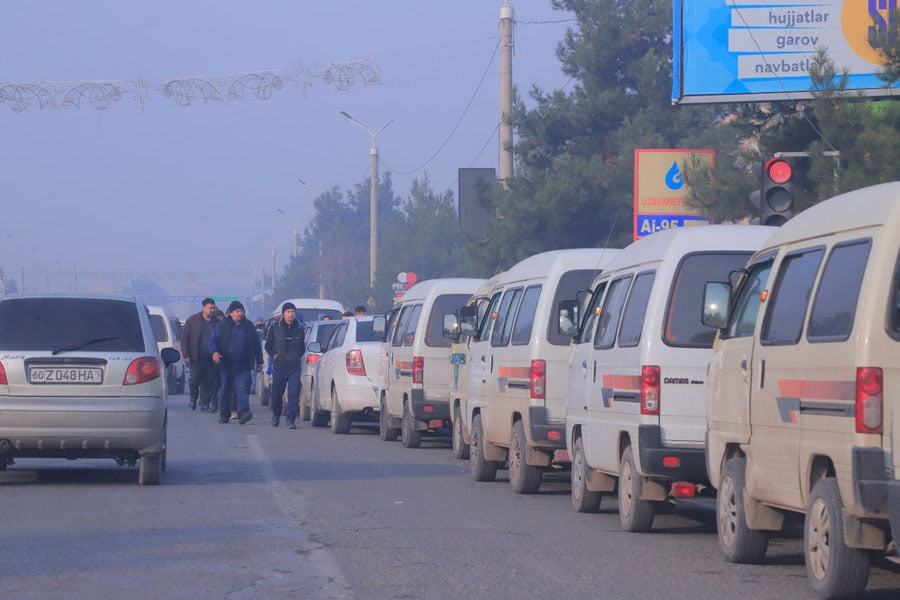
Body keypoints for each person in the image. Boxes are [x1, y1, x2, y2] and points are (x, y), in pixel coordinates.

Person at [209, 300, 263, 424]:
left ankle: (243, 413)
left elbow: (256, 345)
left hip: (243, 364)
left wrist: (259, 361)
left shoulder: (248, 326)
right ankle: (224, 414)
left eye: (242, 311)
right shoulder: (223, 325)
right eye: (237, 311)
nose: (240, 314)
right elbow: (212, 341)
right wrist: (214, 352)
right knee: (225, 389)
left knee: (242, 388)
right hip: (226, 363)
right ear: (230, 313)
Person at [264, 302, 306, 428]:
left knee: (294, 393)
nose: (291, 314)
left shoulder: (299, 328)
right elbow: (268, 346)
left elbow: (302, 347)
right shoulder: (275, 327)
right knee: (277, 394)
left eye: (293, 312)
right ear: (283, 314)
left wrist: (297, 356)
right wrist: (275, 355)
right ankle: (276, 415)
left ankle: (291, 419)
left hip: (294, 366)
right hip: (280, 366)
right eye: (288, 312)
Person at [180, 297, 221, 412]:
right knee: (195, 379)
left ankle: (205, 403)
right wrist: (186, 355)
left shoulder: (217, 323)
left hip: (211, 357)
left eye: (213, 308)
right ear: (203, 308)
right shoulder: (193, 320)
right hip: (196, 357)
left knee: (209, 381)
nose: (212, 310)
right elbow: (184, 339)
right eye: (210, 308)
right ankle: (193, 398)